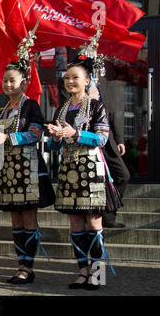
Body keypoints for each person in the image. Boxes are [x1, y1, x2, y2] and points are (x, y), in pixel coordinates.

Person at [47, 31, 121, 290]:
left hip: (91, 170)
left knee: (93, 222)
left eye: (75, 78)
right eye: (66, 78)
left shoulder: (97, 106)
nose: (69, 82)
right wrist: (55, 136)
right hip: (69, 170)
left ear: (87, 80)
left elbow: (101, 138)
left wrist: (75, 133)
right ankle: (82, 271)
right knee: (76, 223)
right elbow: (55, 145)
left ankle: (97, 274)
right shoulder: (63, 109)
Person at [0, 32, 55, 284]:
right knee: (15, 219)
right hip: (9, 171)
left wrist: (7, 139)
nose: (8, 85)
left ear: (23, 83)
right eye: (5, 81)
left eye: (13, 81)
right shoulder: (1, 111)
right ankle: (20, 263)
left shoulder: (31, 105)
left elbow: (35, 134)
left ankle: (28, 267)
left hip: (29, 170)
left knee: (28, 217)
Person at [58, 75, 130, 228]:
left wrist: (119, 139)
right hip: (74, 154)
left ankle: (108, 216)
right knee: (77, 219)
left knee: (122, 175)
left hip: (101, 141)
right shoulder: (66, 95)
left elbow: (111, 111)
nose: (70, 80)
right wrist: (57, 136)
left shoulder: (101, 80)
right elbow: (63, 117)